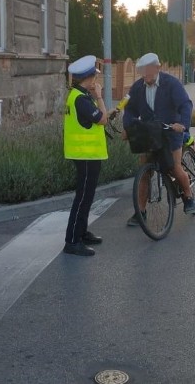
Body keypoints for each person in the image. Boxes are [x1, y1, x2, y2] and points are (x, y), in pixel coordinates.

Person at [122, 52, 195, 226]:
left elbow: (185, 104)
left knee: (174, 167)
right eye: (143, 71)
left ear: (157, 67)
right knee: (144, 172)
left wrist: (182, 124)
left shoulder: (171, 84)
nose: (145, 74)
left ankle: (188, 196)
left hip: (170, 132)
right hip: (149, 133)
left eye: (149, 70)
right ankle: (140, 211)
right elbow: (130, 110)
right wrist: (128, 127)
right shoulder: (137, 88)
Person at [63, 55, 108, 256]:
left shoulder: (78, 95)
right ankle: (72, 241)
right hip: (85, 155)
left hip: (85, 154)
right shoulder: (81, 99)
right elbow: (102, 119)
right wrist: (99, 97)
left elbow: (93, 121)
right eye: (94, 78)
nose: (96, 82)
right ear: (89, 78)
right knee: (82, 197)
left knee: (87, 196)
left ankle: (81, 232)